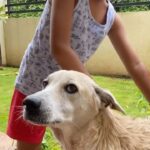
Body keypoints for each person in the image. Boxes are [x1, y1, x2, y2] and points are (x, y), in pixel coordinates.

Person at [7, 0, 150, 149]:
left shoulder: (112, 18)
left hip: (73, 91)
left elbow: (136, 66)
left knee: (74, 140)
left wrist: (87, 91)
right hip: (33, 82)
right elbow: (60, 48)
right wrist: (93, 93)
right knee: (28, 147)